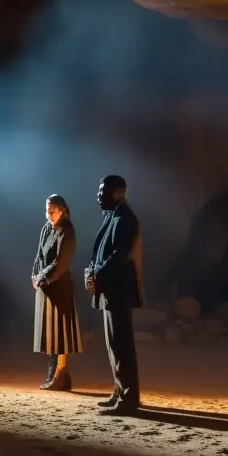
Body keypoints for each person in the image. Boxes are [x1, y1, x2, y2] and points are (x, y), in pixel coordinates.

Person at [85, 175, 143, 415]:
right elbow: (101, 252)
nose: (99, 196)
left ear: (118, 192)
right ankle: (120, 391)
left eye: (103, 191)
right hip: (110, 288)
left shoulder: (125, 218)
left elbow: (118, 255)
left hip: (118, 288)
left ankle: (128, 399)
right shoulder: (113, 216)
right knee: (113, 344)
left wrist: (96, 274)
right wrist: (92, 272)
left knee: (121, 344)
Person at [31, 194, 82, 391]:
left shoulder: (67, 231)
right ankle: (52, 374)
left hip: (59, 286)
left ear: (62, 210)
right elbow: (39, 255)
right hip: (46, 287)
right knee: (49, 333)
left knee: (60, 333)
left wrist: (42, 277)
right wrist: (35, 275)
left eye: (52, 211)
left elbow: (61, 262)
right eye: (47, 210)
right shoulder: (46, 228)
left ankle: (61, 374)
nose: (48, 214)